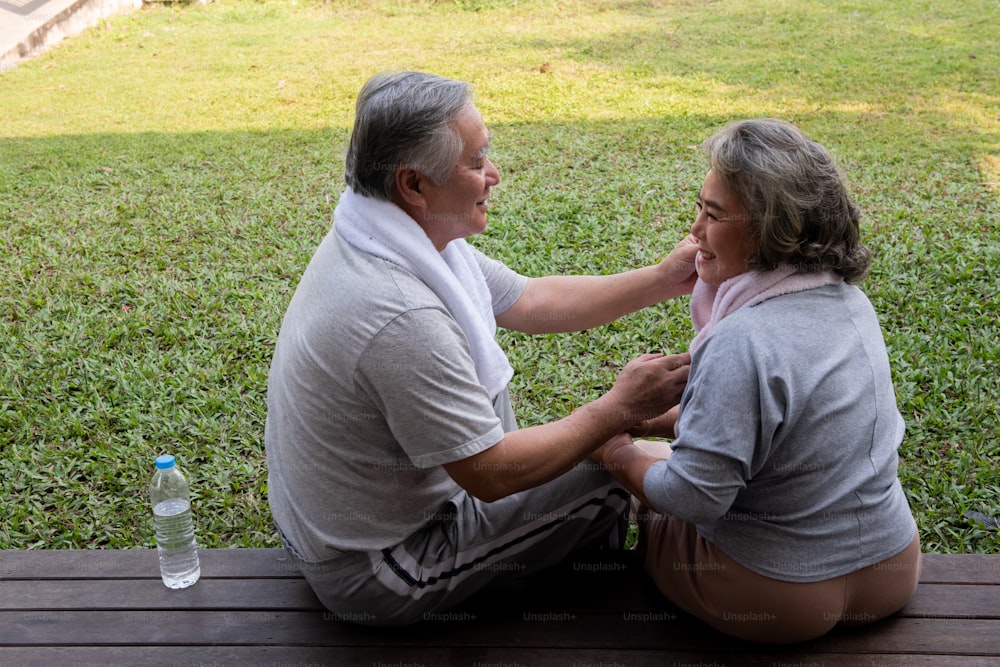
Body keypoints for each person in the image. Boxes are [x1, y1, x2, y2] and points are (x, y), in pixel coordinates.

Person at [263, 70, 697, 626]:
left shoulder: (390, 234)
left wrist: (664, 277)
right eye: (474, 162)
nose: (494, 174)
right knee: (608, 475)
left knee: (597, 444)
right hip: (380, 569)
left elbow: (535, 302)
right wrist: (619, 411)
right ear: (413, 184)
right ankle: (592, 620)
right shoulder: (399, 310)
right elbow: (490, 474)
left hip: (344, 531)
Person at [592, 118, 922, 644]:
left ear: (772, 231)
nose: (694, 231)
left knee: (638, 482)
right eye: (698, 207)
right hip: (892, 572)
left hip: (773, 598)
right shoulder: (850, 304)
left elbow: (692, 496)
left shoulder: (742, 339)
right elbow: (784, 426)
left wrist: (612, 445)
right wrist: (657, 420)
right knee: (656, 454)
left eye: (713, 215)